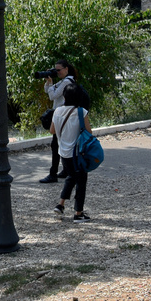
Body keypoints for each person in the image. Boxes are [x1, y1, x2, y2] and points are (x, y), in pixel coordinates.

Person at [52, 84, 93, 220]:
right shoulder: (81, 112)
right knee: (81, 181)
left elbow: (52, 130)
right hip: (77, 154)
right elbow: (89, 132)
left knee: (71, 177)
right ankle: (78, 214)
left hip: (63, 152)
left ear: (64, 96)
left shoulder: (57, 111)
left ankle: (60, 205)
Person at [38, 60, 77, 184]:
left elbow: (52, 96)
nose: (57, 72)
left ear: (66, 69)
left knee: (55, 145)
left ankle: (53, 174)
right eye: (55, 70)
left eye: (58, 70)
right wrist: (49, 82)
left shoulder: (66, 82)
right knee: (62, 144)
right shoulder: (66, 80)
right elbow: (48, 91)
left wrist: (50, 85)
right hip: (65, 116)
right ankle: (66, 170)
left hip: (61, 117)